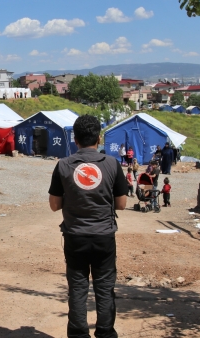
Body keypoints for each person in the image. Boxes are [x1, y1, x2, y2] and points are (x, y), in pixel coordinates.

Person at [48, 114, 127, 338]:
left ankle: (78, 334)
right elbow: (121, 204)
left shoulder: (63, 165)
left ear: (76, 139)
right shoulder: (112, 164)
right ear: (99, 138)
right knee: (104, 288)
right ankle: (105, 333)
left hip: (75, 237)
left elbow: (54, 205)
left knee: (78, 288)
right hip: (104, 237)